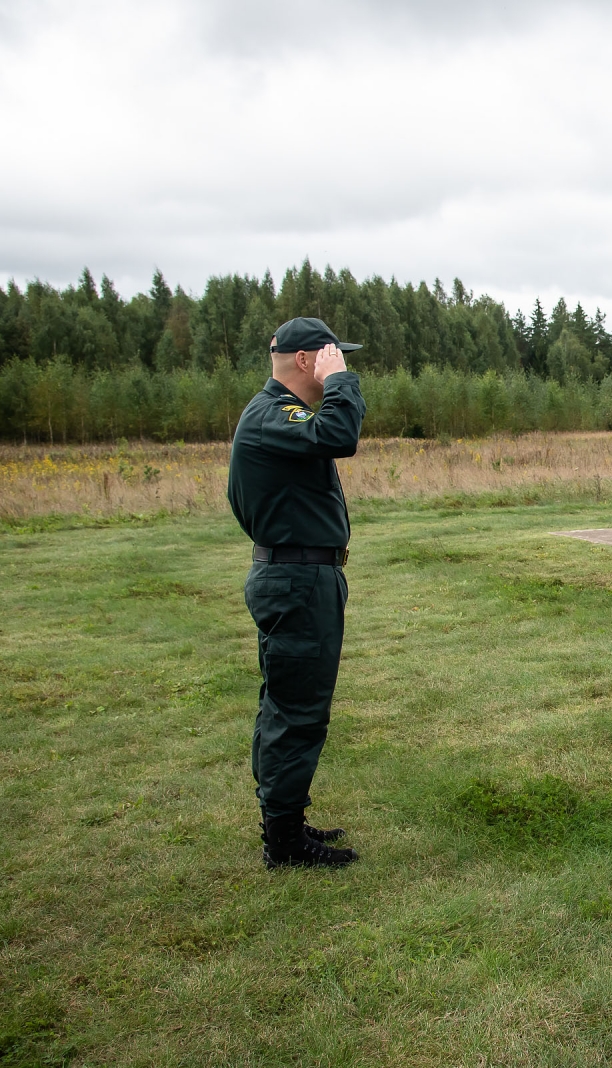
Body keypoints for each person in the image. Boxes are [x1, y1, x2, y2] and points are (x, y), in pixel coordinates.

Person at [228, 317, 367, 867]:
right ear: (306, 360)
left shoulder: (277, 417)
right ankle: (284, 842)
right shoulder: (273, 415)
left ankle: (284, 819)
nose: (341, 362)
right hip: (297, 580)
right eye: (332, 354)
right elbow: (340, 435)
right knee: (297, 711)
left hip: (297, 576)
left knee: (287, 703)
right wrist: (341, 383)